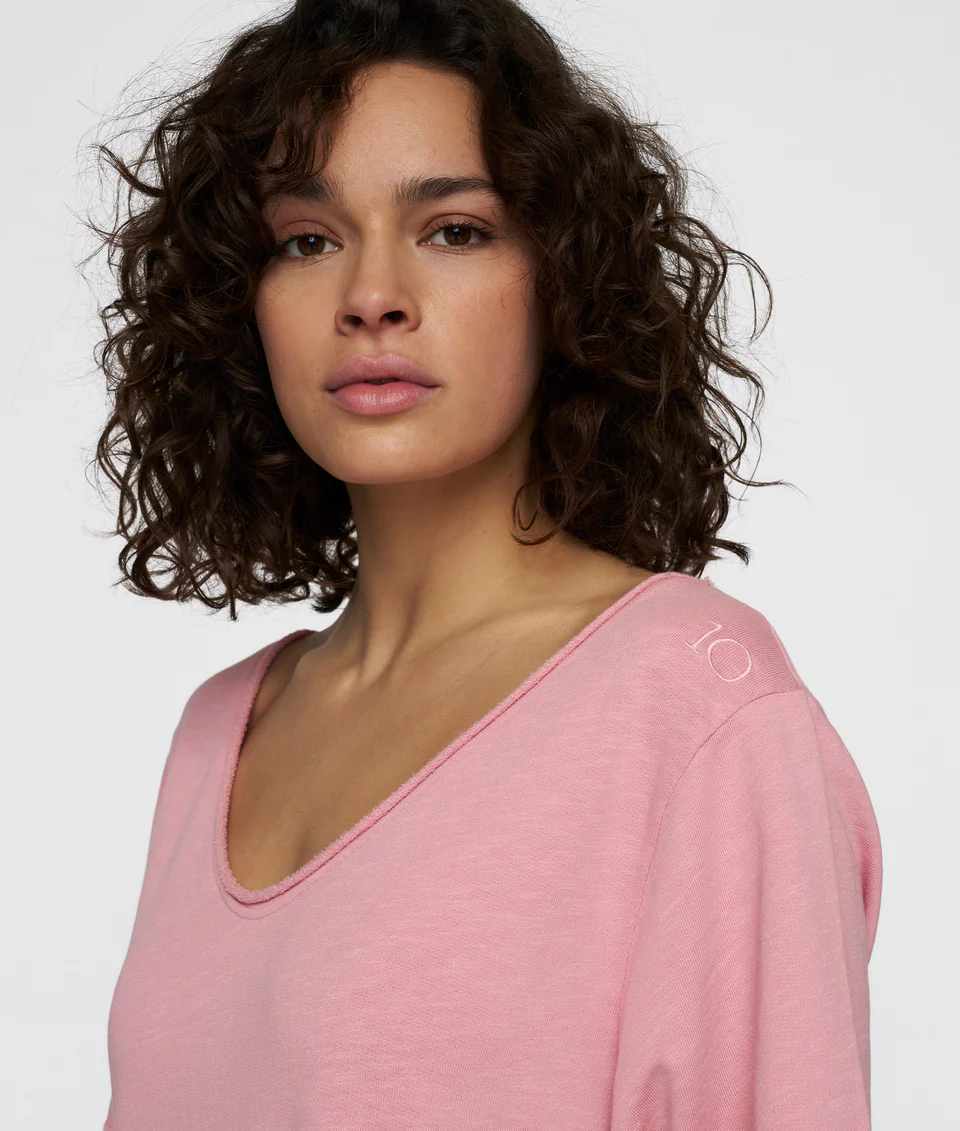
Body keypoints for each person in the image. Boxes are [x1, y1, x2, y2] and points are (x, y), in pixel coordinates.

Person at [87, 0, 882, 1127]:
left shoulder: (697, 704)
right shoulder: (218, 730)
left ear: (564, 277)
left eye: (454, 230)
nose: (372, 297)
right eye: (306, 240)